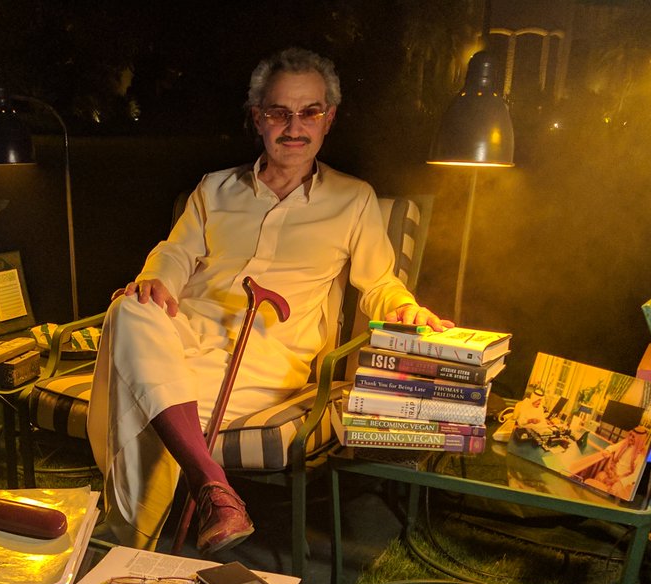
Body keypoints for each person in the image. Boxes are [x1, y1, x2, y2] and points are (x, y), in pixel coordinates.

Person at [88, 47, 452, 553]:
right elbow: (174, 253)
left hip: (264, 361)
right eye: (279, 112)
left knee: (140, 390)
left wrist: (403, 308)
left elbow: (378, 284)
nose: (294, 127)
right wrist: (155, 281)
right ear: (257, 117)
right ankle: (214, 486)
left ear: (329, 119)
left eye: (310, 112)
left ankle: (129, 543)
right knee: (128, 307)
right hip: (179, 338)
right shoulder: (214, 189)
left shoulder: (354, 199)